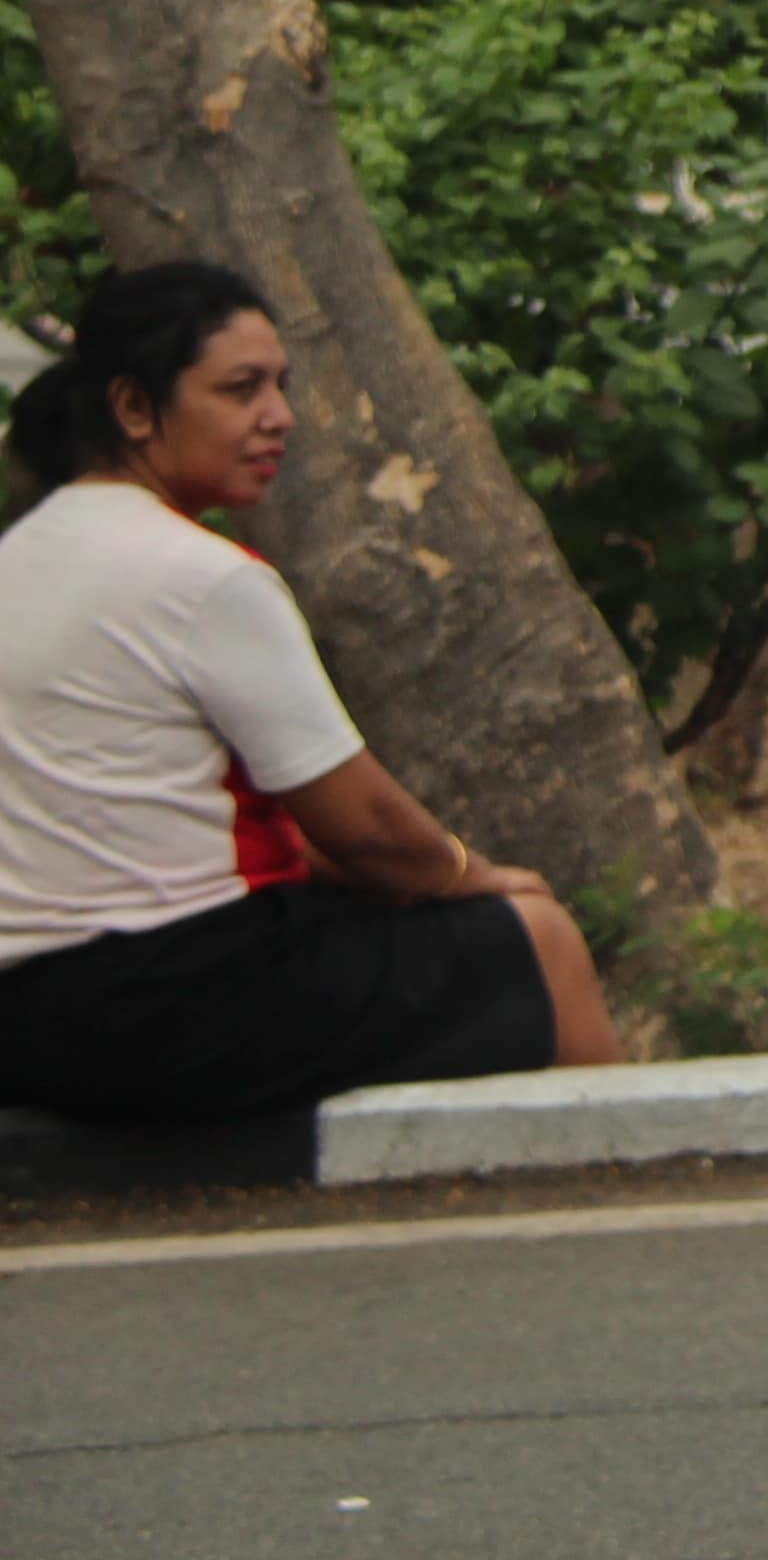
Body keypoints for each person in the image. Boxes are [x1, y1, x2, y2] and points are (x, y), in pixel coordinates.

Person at [0, 262, 616, 1123]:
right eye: (241, 388)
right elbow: (366, 829)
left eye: (282, 387)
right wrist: (478, 876)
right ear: (134, 408)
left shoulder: (20, 557)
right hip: (164, 1007)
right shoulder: (206, 578)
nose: (278, 418)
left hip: (25, 1024)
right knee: (535, 938)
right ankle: (613, 1205)